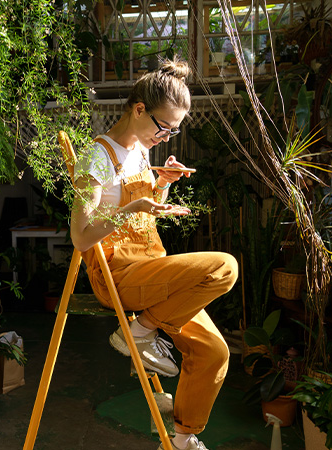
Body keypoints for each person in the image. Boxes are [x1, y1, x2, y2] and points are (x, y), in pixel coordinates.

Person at [70, 58, 239, 450]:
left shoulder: (142, 155)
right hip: (117, 276)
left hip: (151, 268)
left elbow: (142, 224)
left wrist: (160, 186)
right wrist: (131, 209)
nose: (167, 137)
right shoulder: (96, 158)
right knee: (224, 267)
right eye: (164, 127)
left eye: (174, 130)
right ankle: (140, 331)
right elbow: (80, 237)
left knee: (214, 350)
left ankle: (182, 438)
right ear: (138, 109)